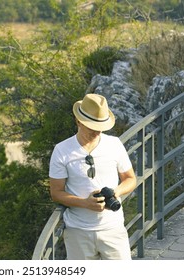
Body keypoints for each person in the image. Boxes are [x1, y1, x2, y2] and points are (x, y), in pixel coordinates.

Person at [49, 93, 137, 260]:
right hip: (78, 233)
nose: (97, 132)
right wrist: (85, 203)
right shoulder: (61, 150)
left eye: (100, 128)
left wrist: (116, 193)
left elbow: (130, 178)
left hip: (113, 229)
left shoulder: (114, 144)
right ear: (78, 121)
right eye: (92, 127)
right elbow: (56, 193)